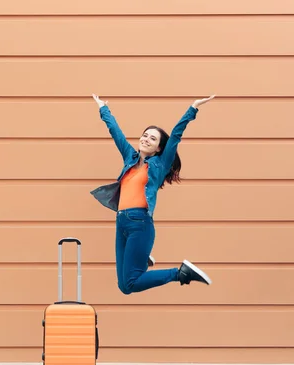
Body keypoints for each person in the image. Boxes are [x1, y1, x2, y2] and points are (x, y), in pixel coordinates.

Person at [90, 93, 214, 295]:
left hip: (140, 224)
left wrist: (193, 108)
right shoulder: (130, 158)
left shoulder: (159, 164)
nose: (146, 139)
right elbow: (116, 133)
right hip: (121, 222)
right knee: (124, 287)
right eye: (145, 135)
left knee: (130, 283)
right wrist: (103, 108)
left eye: (153, 138)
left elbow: (175, 136)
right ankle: (142, 259)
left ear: (158, 148)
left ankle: (180, 273)